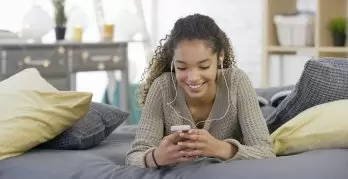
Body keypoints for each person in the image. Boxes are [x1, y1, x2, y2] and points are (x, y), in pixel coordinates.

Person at [125, 13, 275, 168]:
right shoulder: (162, 87)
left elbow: (265, 152)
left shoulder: (237, 82)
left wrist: (220, 148)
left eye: (204, 66)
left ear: (220, 57)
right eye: (182, 67)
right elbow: (134, 157)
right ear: (173, 63)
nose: (193, 78)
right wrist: (156, 157)